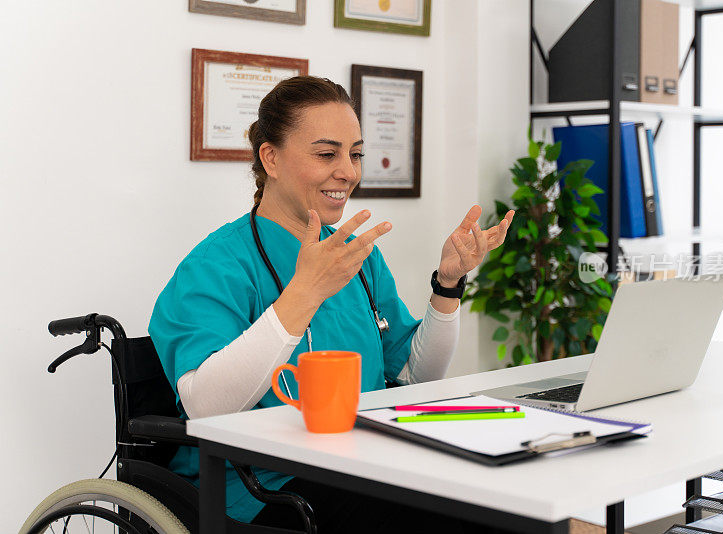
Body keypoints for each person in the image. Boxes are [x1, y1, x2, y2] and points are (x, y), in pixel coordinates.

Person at [149, 75, 514, 532]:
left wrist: (448, 284)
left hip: (364, 460)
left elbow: (415, 375)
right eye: (327, 154)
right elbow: (205, 405)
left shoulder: (357, 258)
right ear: (271, 158)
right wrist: (304, 293)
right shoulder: (217, 265)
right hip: (260, 485)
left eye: (355, 153)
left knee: (503, 502)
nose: (349, 171)